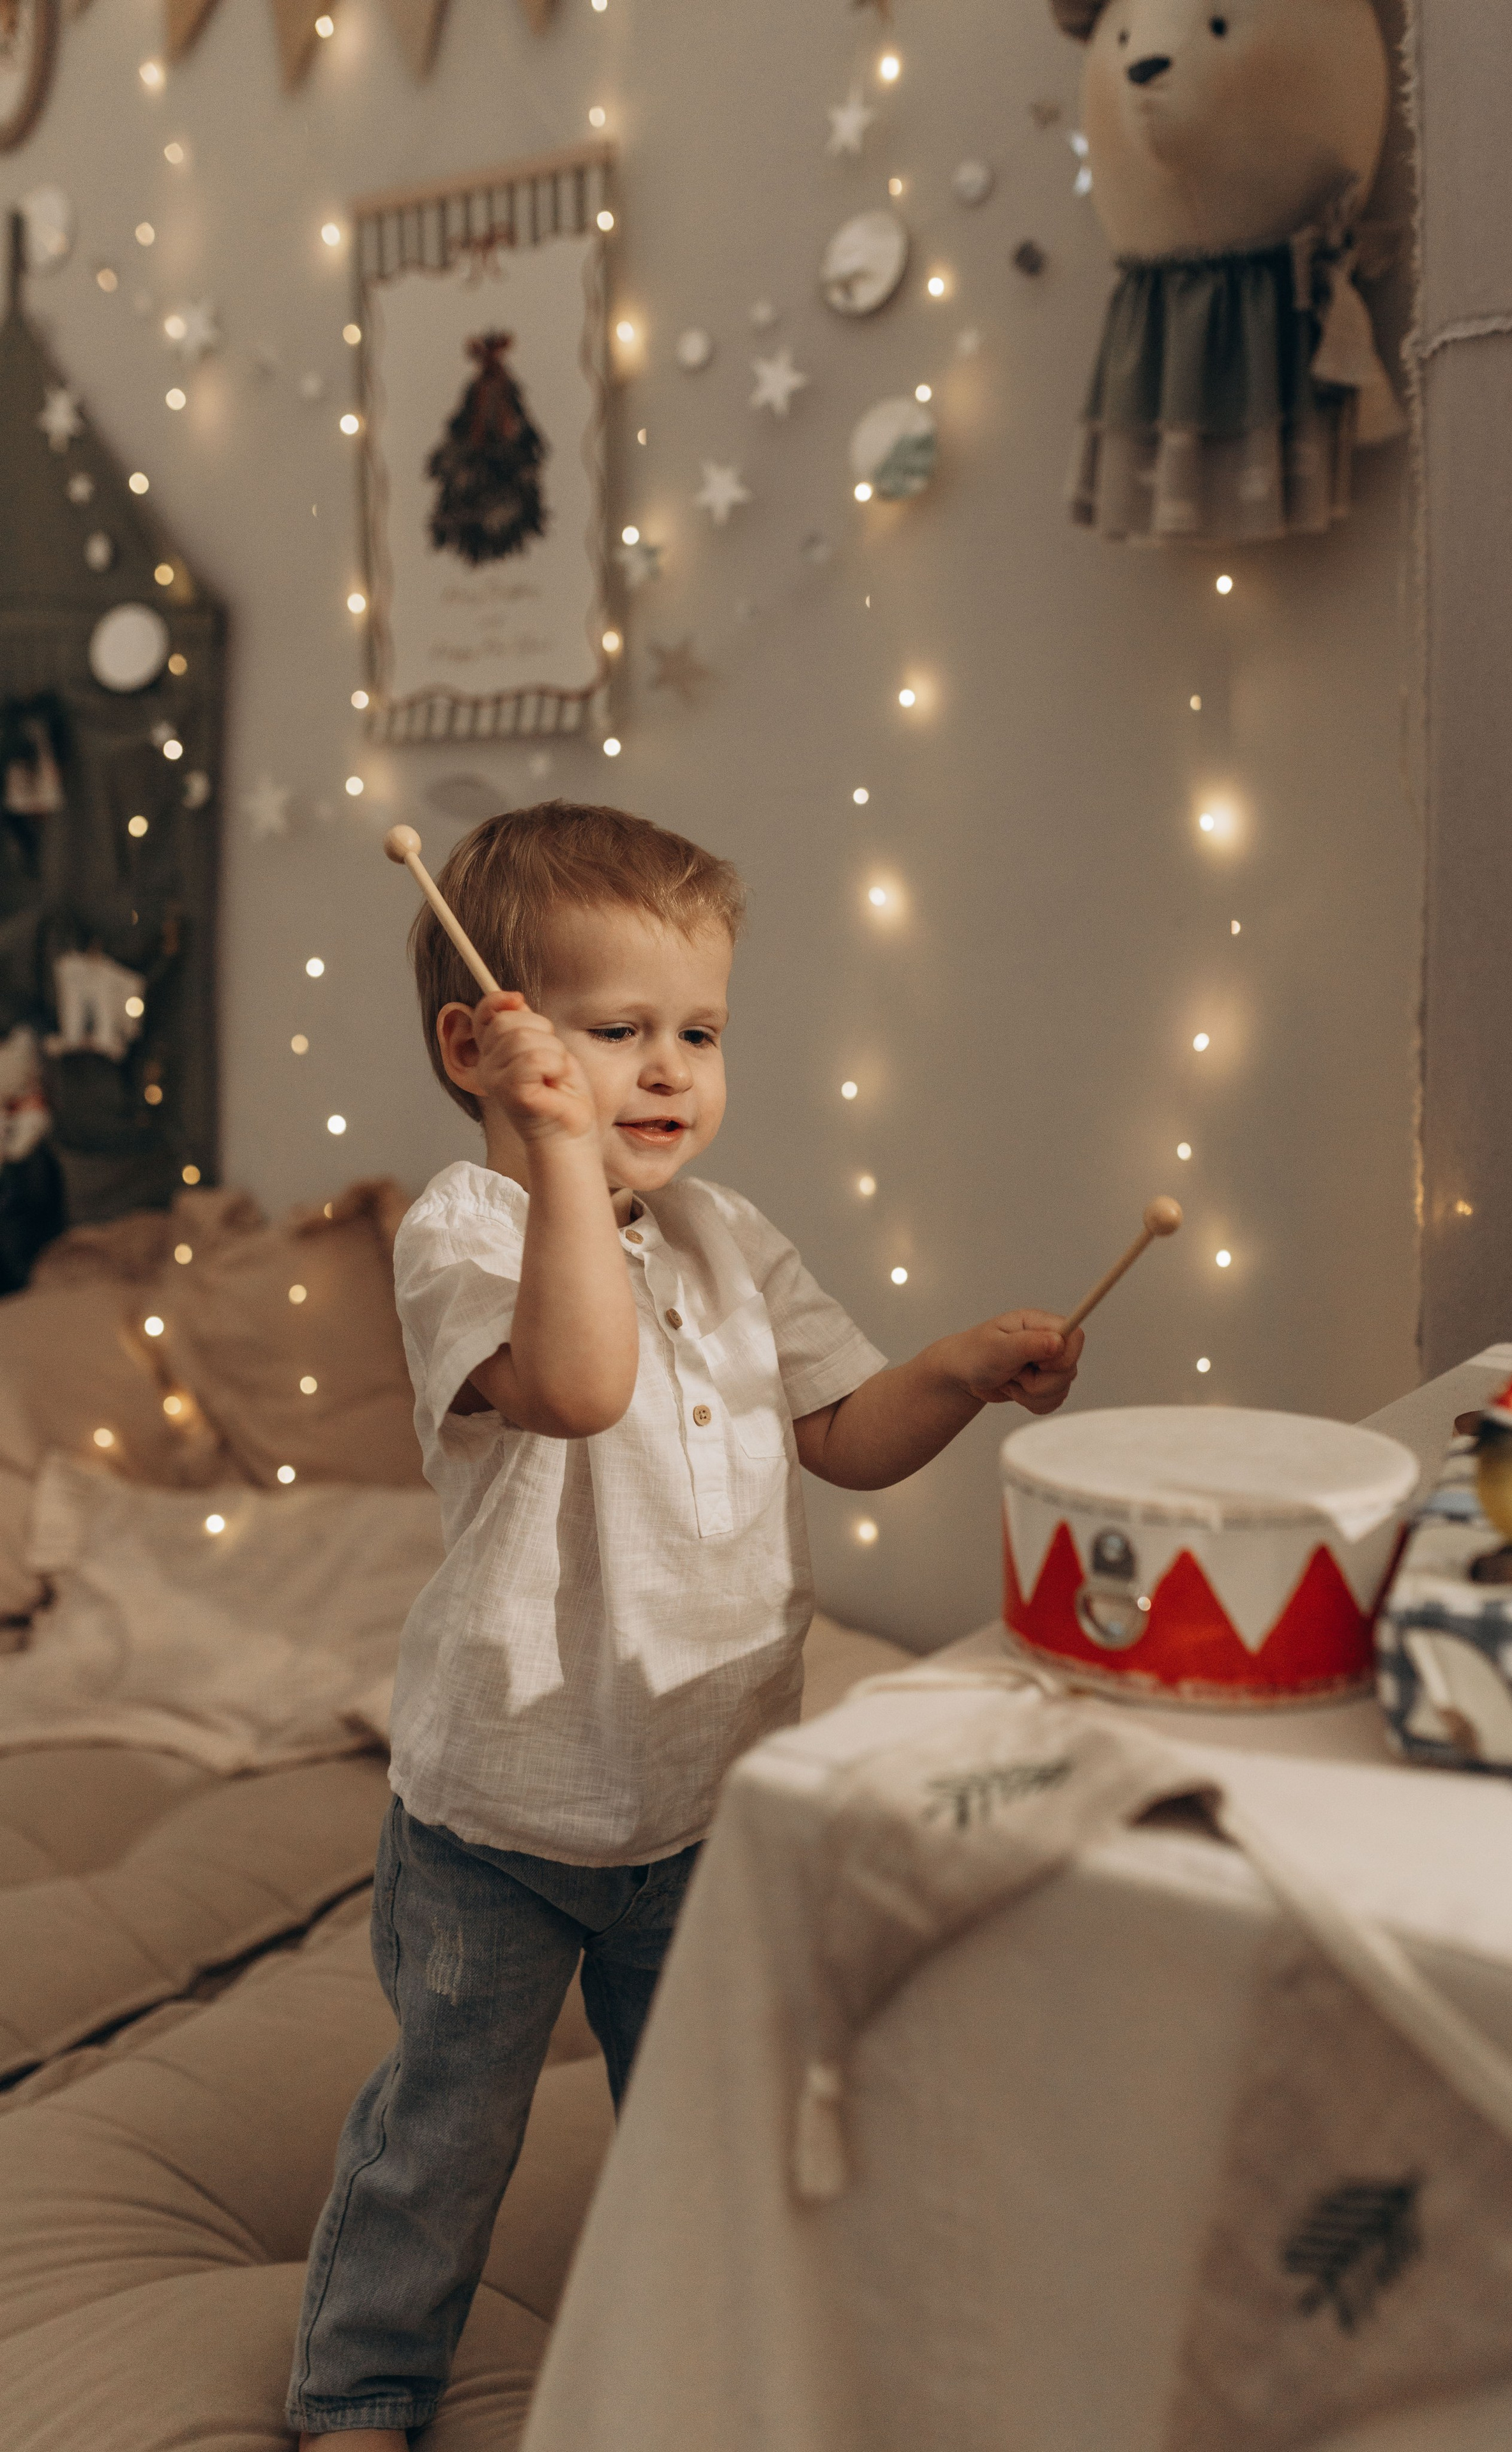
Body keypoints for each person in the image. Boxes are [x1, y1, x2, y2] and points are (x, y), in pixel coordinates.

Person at [287, 800, 1084, 2446]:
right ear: (481, 1043)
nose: (669, 1072)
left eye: (700, 1033)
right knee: (447, 2127)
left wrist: (953, 1372)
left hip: (707, 1795)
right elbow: (578, 1387)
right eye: (617, 1031)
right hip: (501, 1812)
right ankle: (362, 2383)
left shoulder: (735, 1240)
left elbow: (847, 1438)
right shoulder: (468, 1233)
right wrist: (558, 1151)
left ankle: (703, 2352)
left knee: (706, 2117)